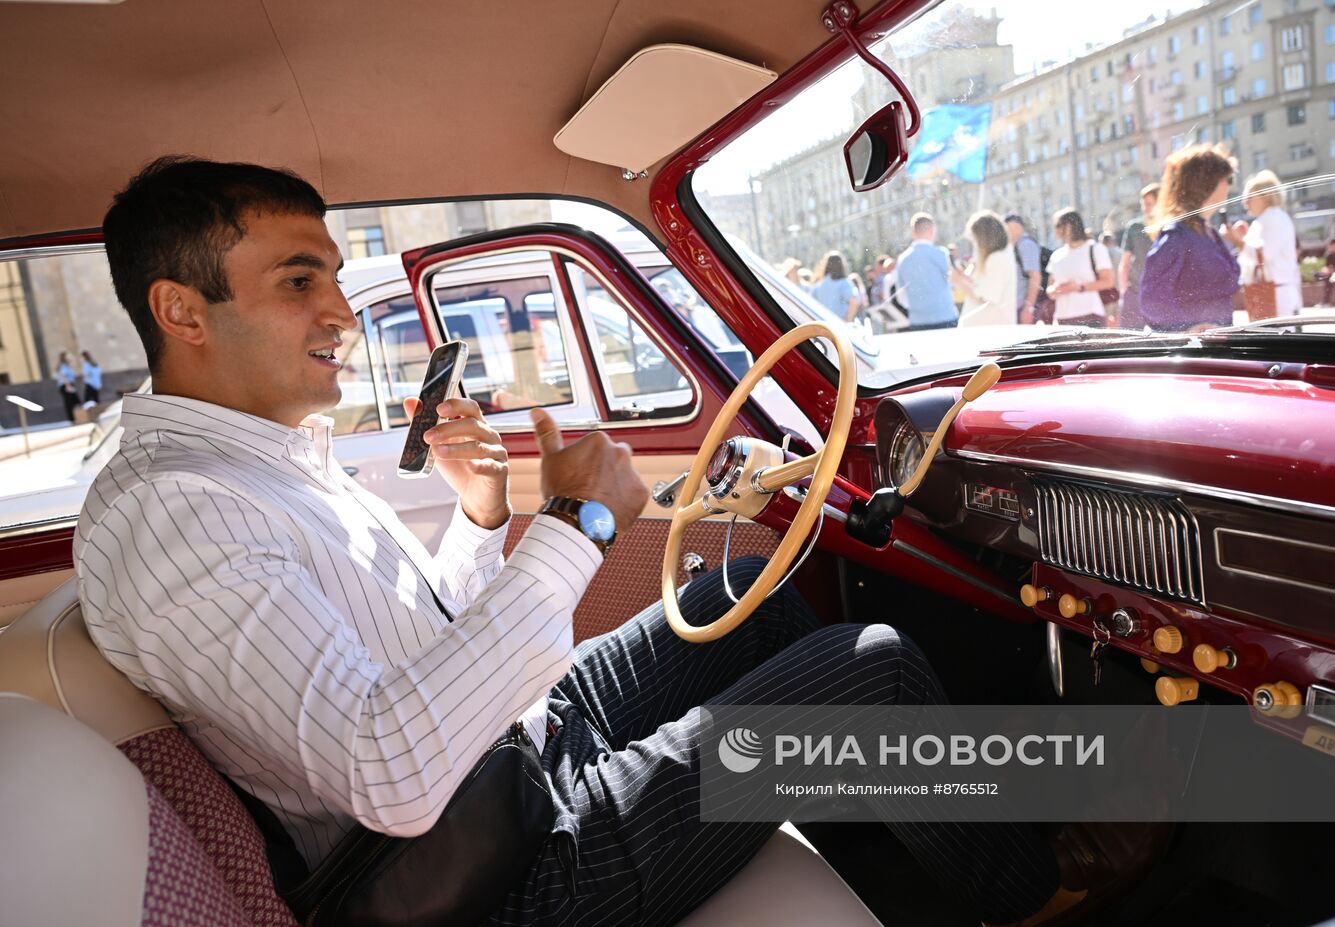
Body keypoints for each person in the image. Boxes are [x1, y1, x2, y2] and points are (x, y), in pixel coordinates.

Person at [76, 157, 1077, 927]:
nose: (341, 311)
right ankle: (1034, 893)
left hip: (510, 752)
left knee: (756, 595)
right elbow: (388, 772)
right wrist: (580, 525)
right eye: (300, 283)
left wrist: (479, 516)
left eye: (333, 277)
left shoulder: (261, 466)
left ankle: (911, 831)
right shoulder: (179, 513)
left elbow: (410, 650)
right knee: (876, 670)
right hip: (504, 873)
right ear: (181, 310)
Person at [1139, 144, 1240, 331]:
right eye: (1227, 179)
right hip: (1195, 351)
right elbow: (1152, 300)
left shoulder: (1208, 232)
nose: (1228, 185)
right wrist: (1187, 329)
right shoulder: (1177, 235)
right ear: (1206, 182)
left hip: (1217, 344)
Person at [1226, 169, 1303, 317]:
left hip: (1275, 295)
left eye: (1249, 197)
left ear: (1265, 196)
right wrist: (1243, 238)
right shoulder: (1267, 218)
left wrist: (1237, 240)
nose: (1245, 202)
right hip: (1270, 292)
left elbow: (1264, 255)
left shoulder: (1274, 218)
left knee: (1276, 338)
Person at [1044, 208, 1114, 328]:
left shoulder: (1095, 249)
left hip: (1090, 315)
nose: (1055, 230)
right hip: (1062, 319)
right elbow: (1049, 288)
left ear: (1070, 225)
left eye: (1057, 225)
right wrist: (1054, 290)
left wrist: (1078, 287)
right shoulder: (1056, 255)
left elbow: (1108, 281)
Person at [948, 211, 1018, 326]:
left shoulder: (996, 259)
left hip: (989, 330)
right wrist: (965, 278)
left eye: (975, 239)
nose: (975, 244)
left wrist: (959, 281)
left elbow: (985, 299)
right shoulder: (1000, 255)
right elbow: (983, 287)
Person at [892, 213, 958, 331]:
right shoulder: (941, 253)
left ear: (913, 233)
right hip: (945, 318)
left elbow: (901, 295)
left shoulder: (902, 259)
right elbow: (953, 283)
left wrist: (918, 307)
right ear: (932, 231)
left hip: (918, 321)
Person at [1117, 183, 1160, 330]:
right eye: (1143, 204)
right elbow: (1125, 262)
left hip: (1162, 295)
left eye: (1149, 204)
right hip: (1135, 292)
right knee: (1130, 339)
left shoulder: (1171, 227)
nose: (1144, 208)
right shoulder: (1134, 227)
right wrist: (1124, 292)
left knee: (1166, 339)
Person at [1004, 214, 1045, 324]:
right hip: (1019, 306)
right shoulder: (1017, 245)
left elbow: (1035, 276)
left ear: (1016, 227)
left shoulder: (1025, 244)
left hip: (1024, 307)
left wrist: (1028, 308)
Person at [808, 250, 862, 321]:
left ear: (826, 265)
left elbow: (810, 303)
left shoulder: (819, 284)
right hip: (838, 327)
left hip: (823, 325)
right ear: (842, 265)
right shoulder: (844, 283)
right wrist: (847, 321)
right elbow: (854, 302)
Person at [53, 351, 79, 421]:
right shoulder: (63, 366)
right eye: (68, 356)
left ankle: (76, 417)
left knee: (74, 402)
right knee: (70, 402)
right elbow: (63, 376)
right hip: (66, 385)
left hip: (68, 384)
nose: (70, 357)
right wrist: (68, 386)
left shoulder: (66, 365)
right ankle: (73, 418)